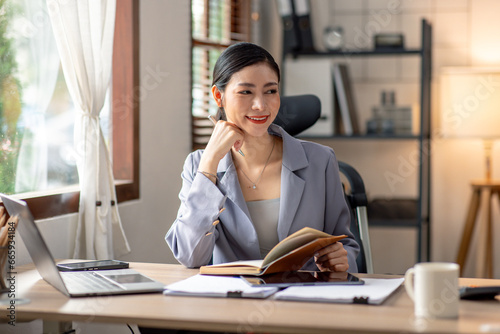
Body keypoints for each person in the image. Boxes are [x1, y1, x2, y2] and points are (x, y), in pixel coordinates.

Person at [165, 42, 359, 273]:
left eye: (270, 91)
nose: (260, 105)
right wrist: (210, 161)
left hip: (303, 297)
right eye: (246, 92)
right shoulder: (198, 165)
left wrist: (341, 257)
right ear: (219, 96)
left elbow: (345, 244)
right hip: (231, 300)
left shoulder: (321, 160)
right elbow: (189, 256)